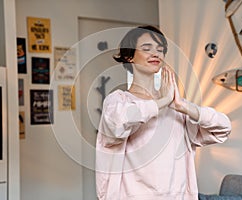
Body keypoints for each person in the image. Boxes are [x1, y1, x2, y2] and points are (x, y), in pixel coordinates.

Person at [95, 25, 231, 200]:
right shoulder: (118, 101)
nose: (156, 53)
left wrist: (183, 106)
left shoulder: (176, 106)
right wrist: (160, 102)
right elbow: (117, 125)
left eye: (160, 50)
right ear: (129, 57)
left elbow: (223, 129)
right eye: (146, 48)